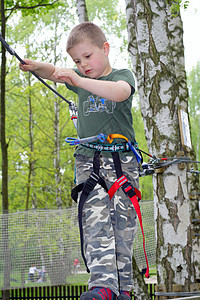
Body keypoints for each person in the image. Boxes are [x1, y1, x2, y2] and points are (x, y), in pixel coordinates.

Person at [20, 22, 141, 300]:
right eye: (76, 61)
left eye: (88, 57)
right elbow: (53, 72)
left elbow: (121, 93)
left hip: (121, 163)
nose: (83, 65)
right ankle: (103, 286)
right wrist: (34, 65)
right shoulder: (79, 80)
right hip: (90, 162)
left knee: (121, 226)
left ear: (105, 49)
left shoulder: (119, 76)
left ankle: (123, 289)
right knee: (95, 222)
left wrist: (78, 80)